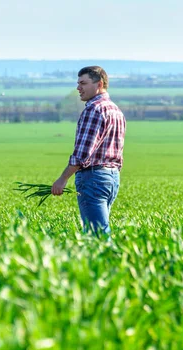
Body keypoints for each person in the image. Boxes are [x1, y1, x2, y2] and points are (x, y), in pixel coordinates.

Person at [51, 66, 126, 235]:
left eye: (83, 83)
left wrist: (62, 179)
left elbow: (82, 153)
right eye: (78, 83)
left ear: (99, 84)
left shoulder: (94, 109)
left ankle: (110, 261)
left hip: (93, 177)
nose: (78, 88)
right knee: (100, 231)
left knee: (97, 236)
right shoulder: (115, 110)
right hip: (112, 177)